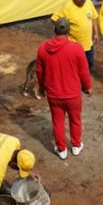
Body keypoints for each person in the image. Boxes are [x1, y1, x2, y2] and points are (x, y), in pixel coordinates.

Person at [36, 17, 92, 160]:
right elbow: (83, 71)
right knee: (75, 120)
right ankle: (76, 145)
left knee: (57, 122)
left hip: (54, 95)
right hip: (73, 95)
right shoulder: (77, 48)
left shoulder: (42, 48)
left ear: (54, 29)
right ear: (69, 31)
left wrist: (42, 88)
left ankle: (61, 149)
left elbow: (39, 71)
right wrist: (88, 87)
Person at [50, 0, 99, 72]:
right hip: (73, 45)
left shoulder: (89, 3)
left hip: (88, 44)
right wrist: (63, 31)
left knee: (89, 64)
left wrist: (96, 33)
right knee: (74, 68)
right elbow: (54, 19)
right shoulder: (67, 7)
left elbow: (94, 17)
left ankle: (84, 82)